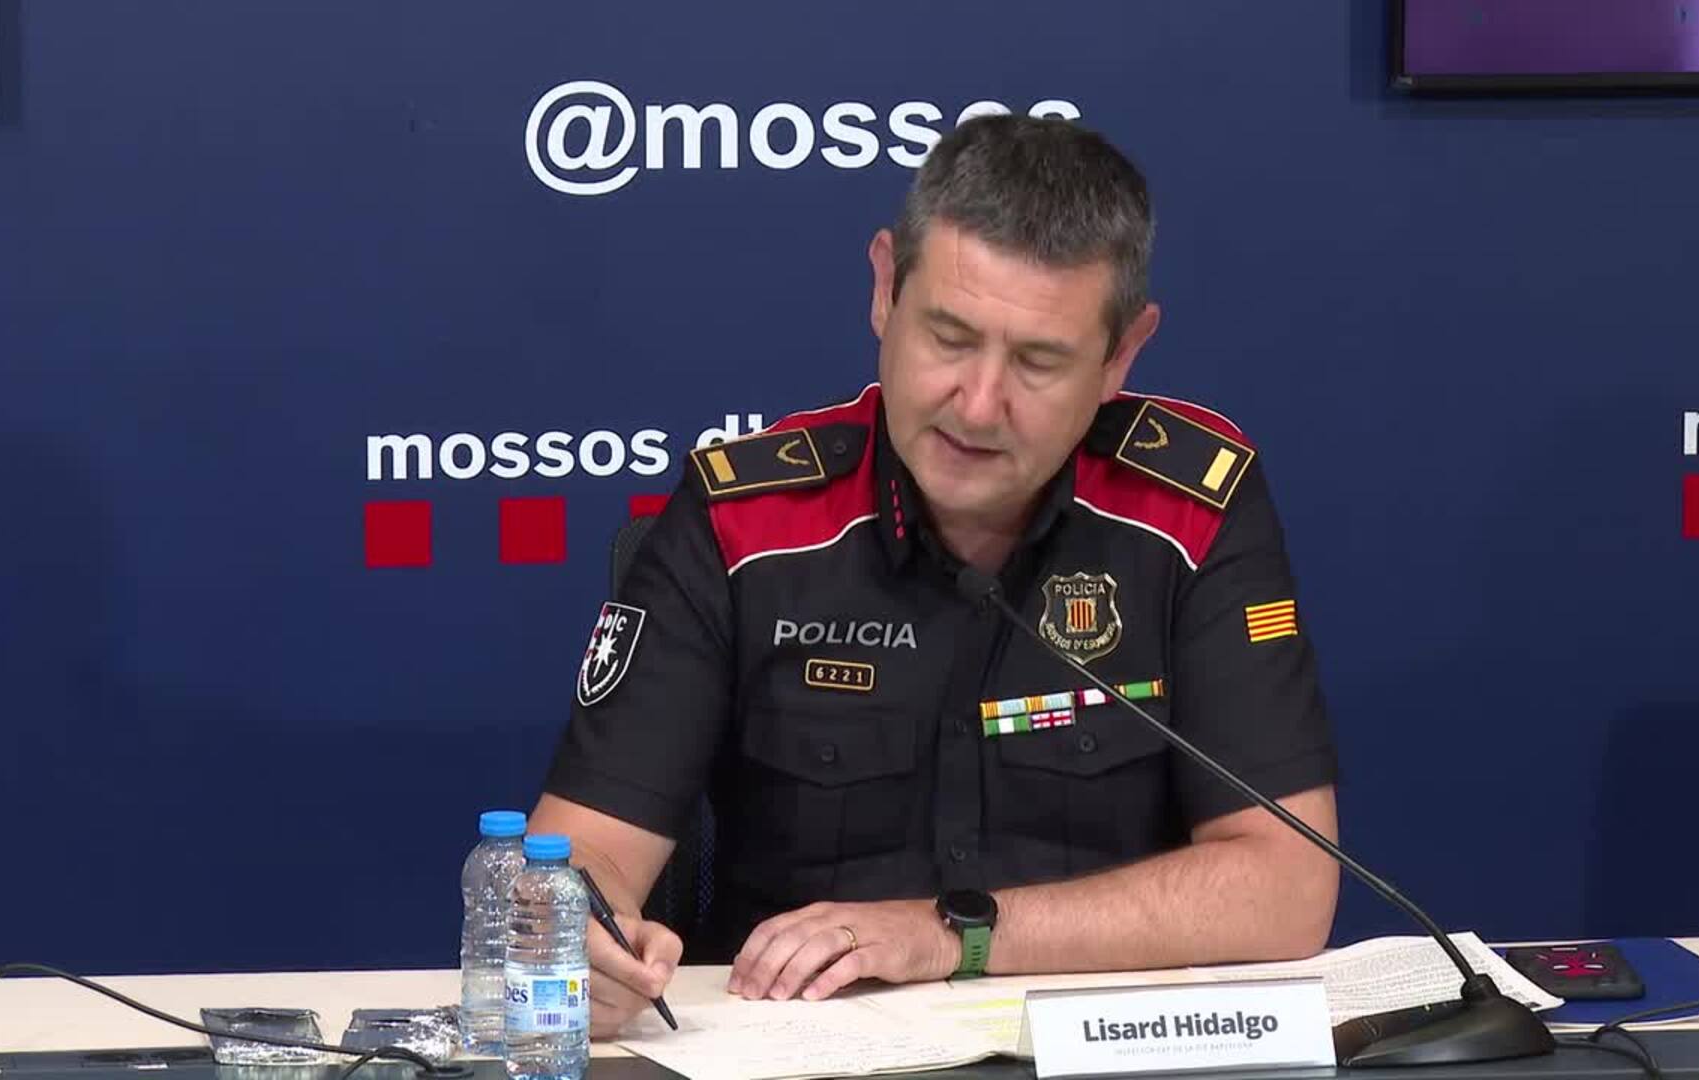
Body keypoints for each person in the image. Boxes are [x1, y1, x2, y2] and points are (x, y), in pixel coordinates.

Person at [527, 114, 1339, 1037]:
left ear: (1121, 355)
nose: (979, 405)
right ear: (885, 288)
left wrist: (952, 935)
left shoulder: (1190, 512)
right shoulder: (743, 521)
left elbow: (1286, 882)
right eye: (949, 337)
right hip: (792, 1046)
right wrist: (575, 934)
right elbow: (580, 852)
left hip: (1098, 1048)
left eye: (1038, 361)